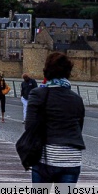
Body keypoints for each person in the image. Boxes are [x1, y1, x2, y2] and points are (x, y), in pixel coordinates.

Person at [27, 52, 85, 184]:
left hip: (45, 156)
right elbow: (78, 128)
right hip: (72, 159)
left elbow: (29, 127)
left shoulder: (37, 94)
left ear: (46, 71)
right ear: (68, 72)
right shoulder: (77, 99)